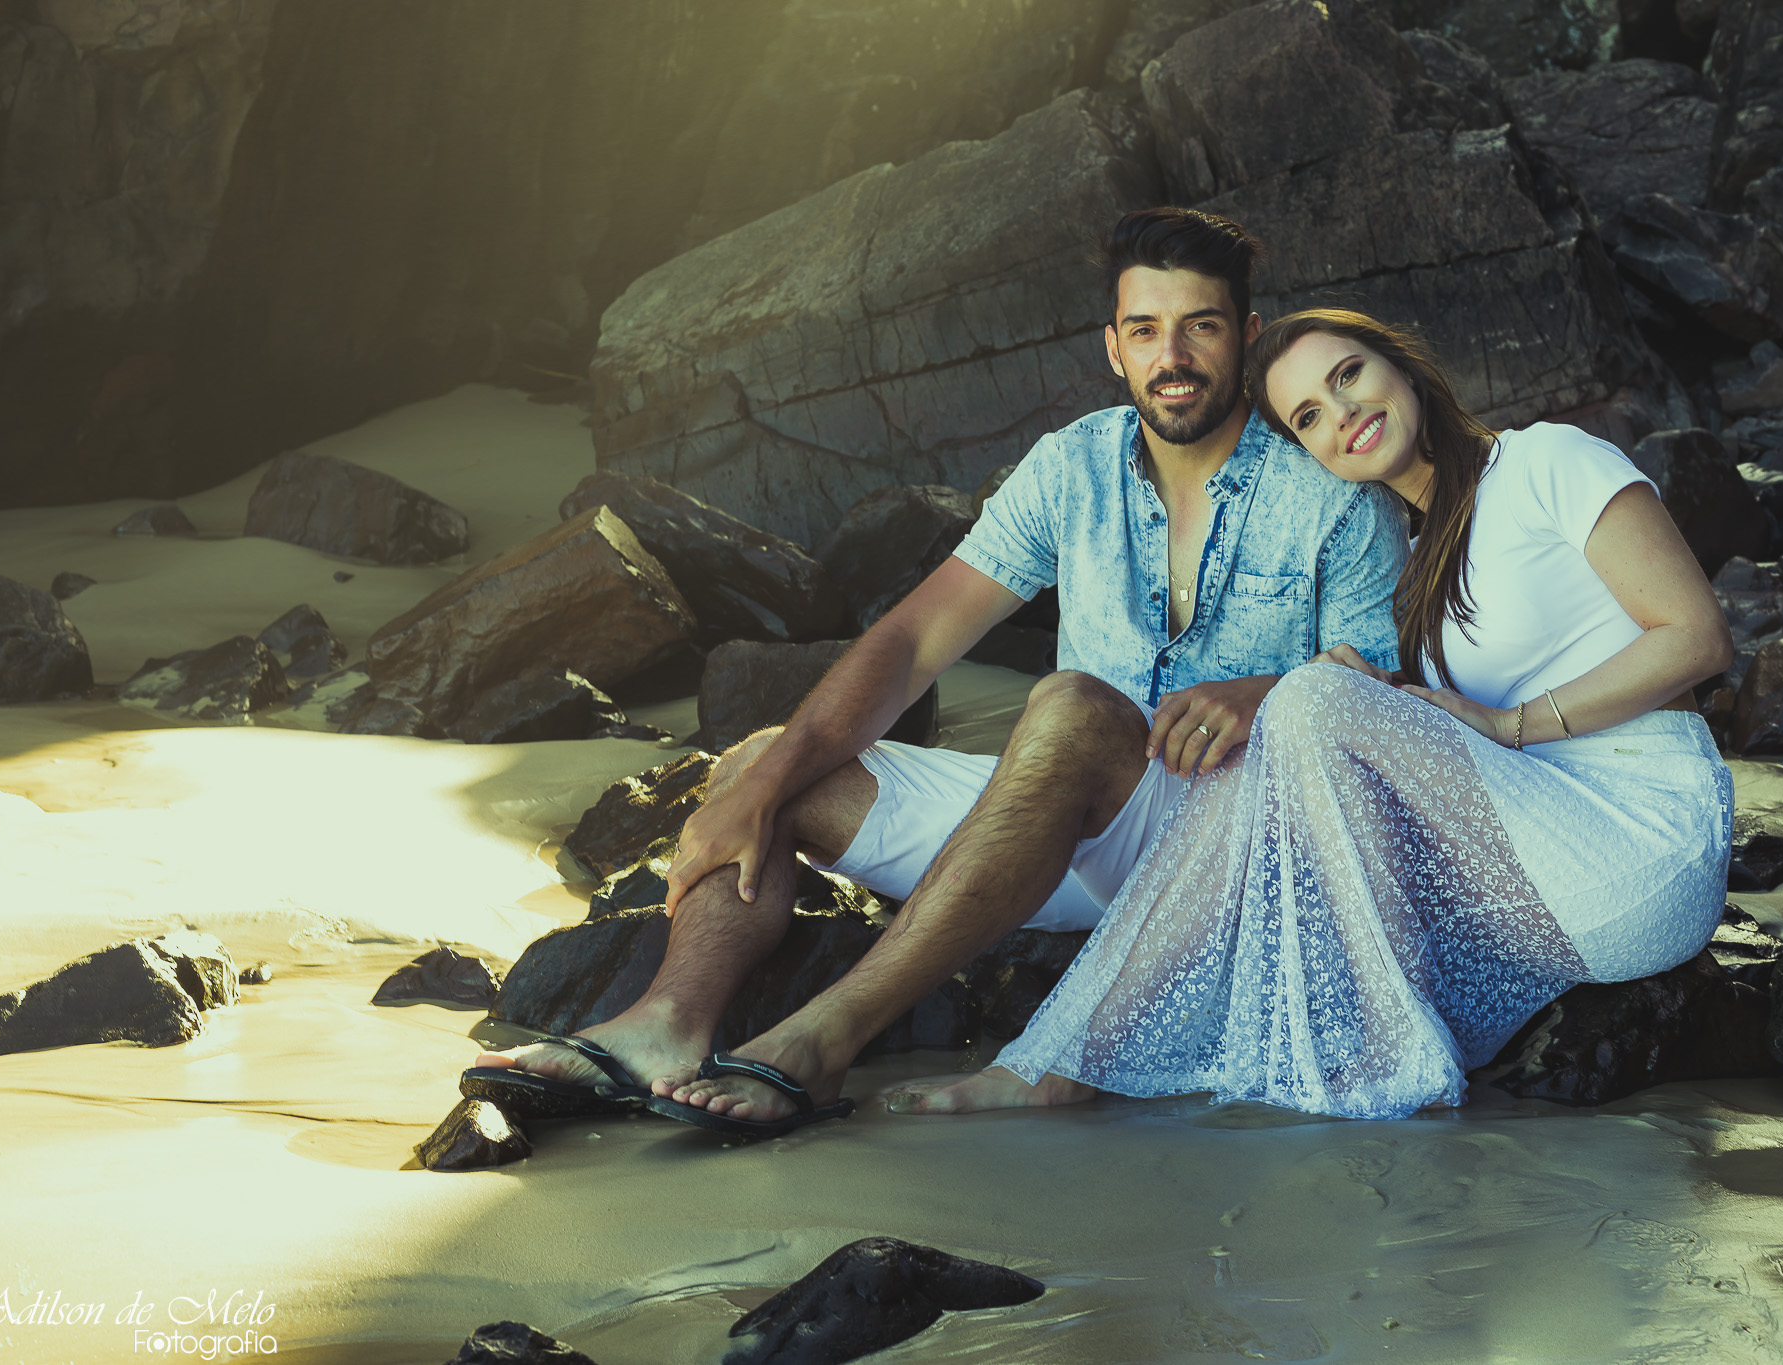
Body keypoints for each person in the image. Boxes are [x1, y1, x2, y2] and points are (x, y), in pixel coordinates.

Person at [466, 213, 1409, 1136]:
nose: (1175, 356)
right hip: (1058, 848)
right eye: (1145, 329)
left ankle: (827, 1032)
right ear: (1112, 348)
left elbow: (1388, 720)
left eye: (1201, 326)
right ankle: (665, 1024)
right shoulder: (1071, 468)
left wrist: (1266, 693)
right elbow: (913, 640)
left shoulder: (1333, 495)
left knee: (1072, 708)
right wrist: (765, 779)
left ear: (1244, 337)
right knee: (765, 768)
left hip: (1228, 848)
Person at [890, 308, 1736, 1120]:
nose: (1344, 415)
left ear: (1399, 361)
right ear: (1312, 453)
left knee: (1309, 698)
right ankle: (1071, 1060)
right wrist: (1368, 693)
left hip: (1644, 844)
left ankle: (1364, 1049)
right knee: (1284, 725)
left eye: (1349, 375)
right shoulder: (1413, 570)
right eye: (1309, 415)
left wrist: (1504, 725)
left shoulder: (1548, 461)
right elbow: (1438, 746)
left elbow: (1696, 638)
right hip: (1539, 860)